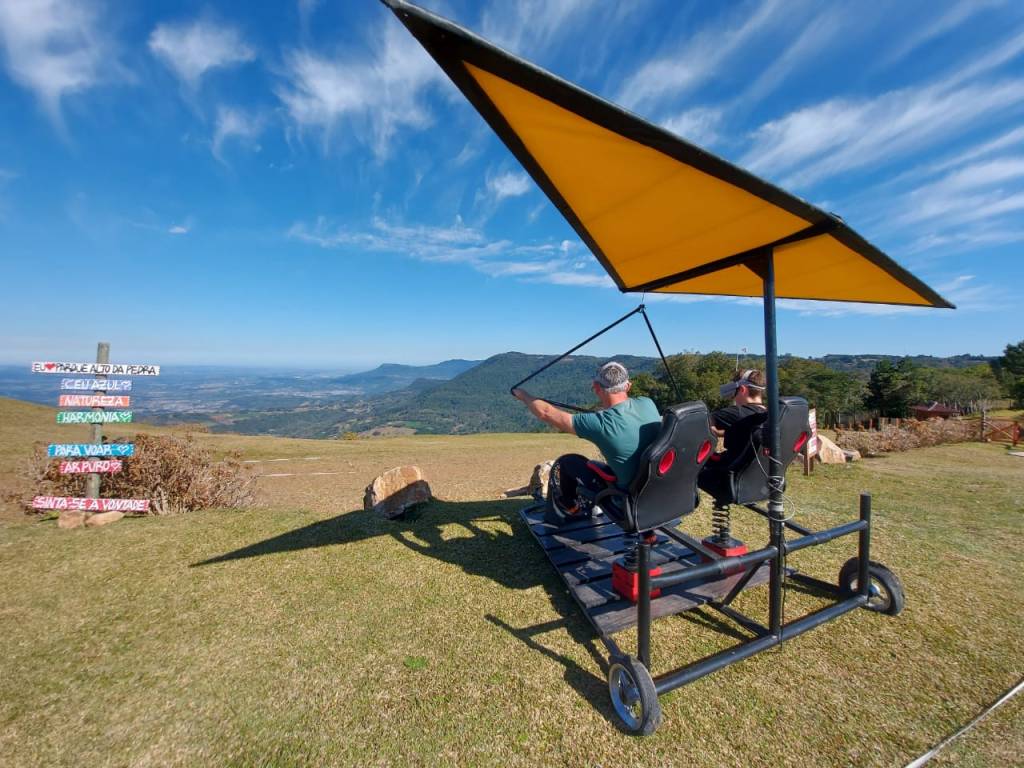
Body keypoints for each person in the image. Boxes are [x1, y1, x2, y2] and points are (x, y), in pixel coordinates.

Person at [512, 361, 661, 525]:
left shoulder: (600, 423)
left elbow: (546, 413)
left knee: (568, 462)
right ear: (628, 386)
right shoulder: (647, 403)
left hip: (626, 501)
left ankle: (572, 509)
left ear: (596, 387)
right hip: (660, 492)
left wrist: (522, 395)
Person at [698, 368, 768, 503]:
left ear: (742, 389)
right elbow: (750, 433)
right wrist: (721, 432)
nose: (733, 398)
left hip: (728, 479)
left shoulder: (735, 413)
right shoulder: (766, 415)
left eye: (734, 393)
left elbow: (700, 424)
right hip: (758, 480)